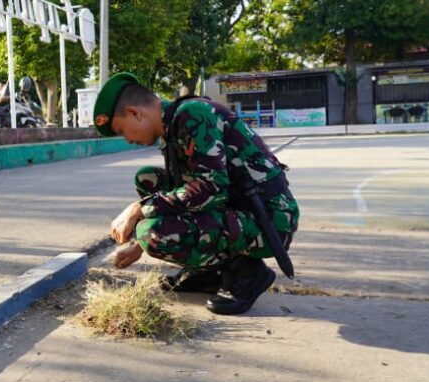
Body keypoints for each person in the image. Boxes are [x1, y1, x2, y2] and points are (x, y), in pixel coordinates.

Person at [93, 73, 300, 315]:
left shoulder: (192, 114)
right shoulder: (171, 126)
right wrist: (137, 247)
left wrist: (139, 209)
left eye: (121, 130)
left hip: (270, 219)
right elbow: (186, 191)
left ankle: (247, 272)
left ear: (135, 113)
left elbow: (212, 189)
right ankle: (210, 273)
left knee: (152, 233)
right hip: (239, 210)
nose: (127, 140)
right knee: (147, 179)